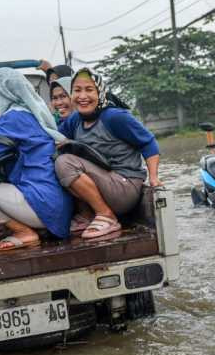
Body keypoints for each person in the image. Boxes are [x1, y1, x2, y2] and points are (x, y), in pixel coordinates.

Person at [0, 67, 73, 251]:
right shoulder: (36, 113)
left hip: (42, 205)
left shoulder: (12, 118)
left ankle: (23, 232)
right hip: (60, 208)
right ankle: (34, 229)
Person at [55, 67, 161, 239]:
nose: (82, 96)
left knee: (65, 163)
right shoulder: (75, 120)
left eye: (89, 90)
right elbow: (55, 137)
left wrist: (154, 177)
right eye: (77, 90)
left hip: (124, 187)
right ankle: (87, 215)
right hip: (104, 181)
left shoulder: (114, 117)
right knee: (57, 157)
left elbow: (148, 143)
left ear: (100, 92)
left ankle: (106, 215)